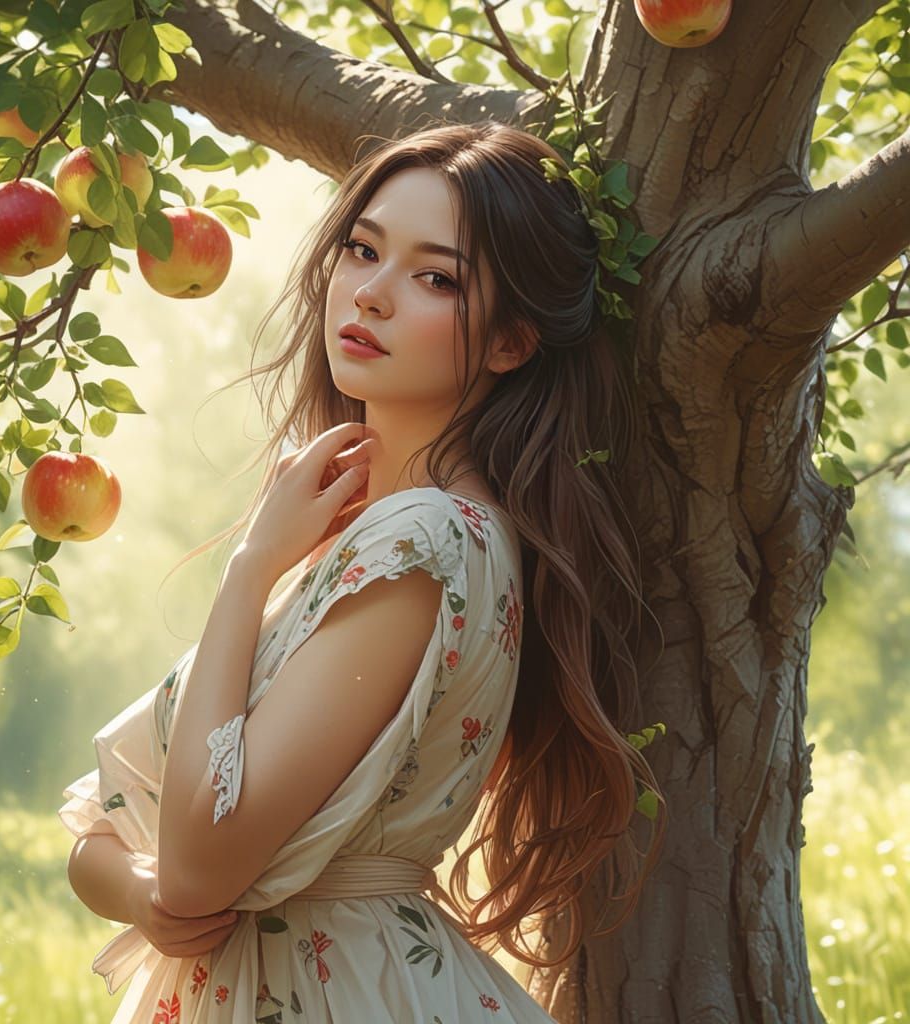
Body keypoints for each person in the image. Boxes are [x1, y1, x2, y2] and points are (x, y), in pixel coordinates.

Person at [59, 118, 666, 1023]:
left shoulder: (423, 543)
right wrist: (146, 896)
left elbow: (197, 869)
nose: (371, 295)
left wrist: (248, 569)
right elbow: (103, 831)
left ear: (510, 341)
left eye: (436, 278)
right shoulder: (358, 536)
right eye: (363, 250)